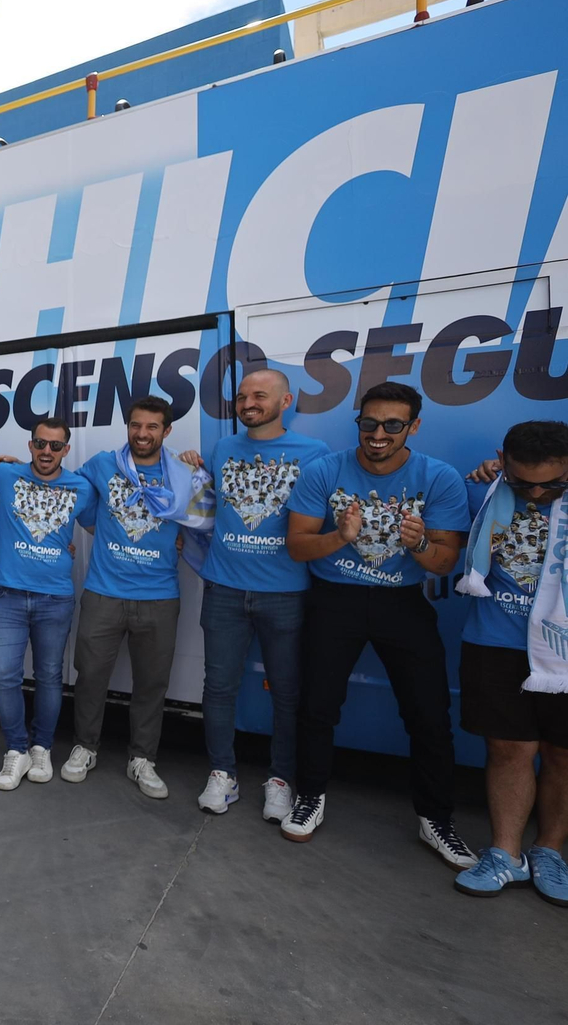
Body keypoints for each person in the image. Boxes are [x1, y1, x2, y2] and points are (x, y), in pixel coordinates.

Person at [281, 381, 476, 870]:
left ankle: (437, 820)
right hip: (334, 601)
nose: (379, 434)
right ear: (359, 423)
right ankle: (310, 797)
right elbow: (298, 546)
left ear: (414, 425)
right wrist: (340, 536)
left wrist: (417, 546)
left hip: (402, 604)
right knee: (317, 707)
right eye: (370, 423)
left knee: (429, 714)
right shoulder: (325, 470)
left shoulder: (439, 477)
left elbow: (445, 563)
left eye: (393, 425)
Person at [178, 369, 327, 820]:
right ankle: (223, 774)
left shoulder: (316, 454)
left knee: (286, 693)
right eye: (242, 396)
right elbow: (203, 501)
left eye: (259, 395)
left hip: (286, 594)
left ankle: (280, 780)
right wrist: (191, 465)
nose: (247, 403)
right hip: (224, 590)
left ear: (287, 402)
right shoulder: (223, 449)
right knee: (219, 688)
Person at [63, 395, 212, 800]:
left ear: (166, 431)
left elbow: (207, 520)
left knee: (152, 684)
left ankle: (142, 758)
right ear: (127, 426)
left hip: (160, 596)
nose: (142, 434)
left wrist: (195, 471)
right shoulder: (102, 464)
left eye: (151, 427)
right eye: (135, 425)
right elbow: (60, 489)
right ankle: (85, 746)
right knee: (90, 676)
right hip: (103, 593)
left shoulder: (184, 474)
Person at [452, 420, 568, 905]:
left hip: (563, 651)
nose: (537, 492)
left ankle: (550, 851)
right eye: (524, 483)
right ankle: (505, 854)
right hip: (494, 644)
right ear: (503, 460)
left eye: (554, 483)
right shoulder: (482, 492)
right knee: (507, 751)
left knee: (563, 753)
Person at [0, 419, 96, 789]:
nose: (47, 452)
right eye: (40, 444)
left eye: (56, 446)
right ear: (30, 445)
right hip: (7, 597)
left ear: (66, 449)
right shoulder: (4, 475)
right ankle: (17, 750)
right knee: (4, 676)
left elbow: (104, 526)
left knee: (49, 677)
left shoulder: (81, 487)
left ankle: (42, 746)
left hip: (55, 599)